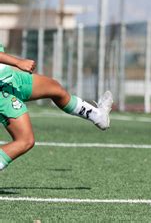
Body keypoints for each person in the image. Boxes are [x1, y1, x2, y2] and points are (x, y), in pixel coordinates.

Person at [0, 44, 113, 172]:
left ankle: (99, 116)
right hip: (2, 92)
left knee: (56, 89)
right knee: (25, 141)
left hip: (9, 78)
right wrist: (18, 62)